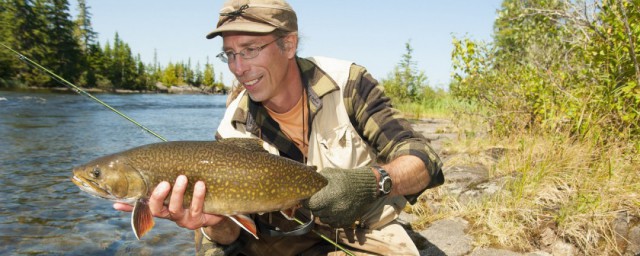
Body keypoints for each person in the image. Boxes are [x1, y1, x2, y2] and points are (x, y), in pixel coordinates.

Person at [115, 0, 444, 255]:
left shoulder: (348, 83)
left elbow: (423, 160)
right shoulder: (233, 126)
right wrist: (211, 223)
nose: (238, 68)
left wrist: (373, 182)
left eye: (250, 50)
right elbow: (234, 234)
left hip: (363, 231)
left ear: (289, 44)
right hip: (280, 238)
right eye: (229, 54)